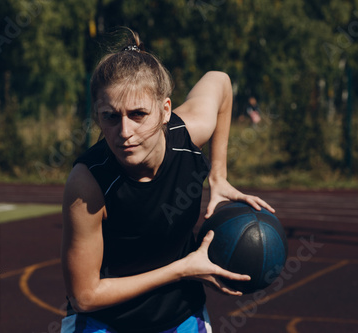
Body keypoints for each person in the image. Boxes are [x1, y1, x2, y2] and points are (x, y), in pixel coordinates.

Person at [60, 29, 274, 333]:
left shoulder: (188, 137)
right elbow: (84, 296)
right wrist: (181, 270)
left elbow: (221, 81)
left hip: (181, 318)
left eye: (138, 114)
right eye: (110, 116)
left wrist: (218, 175)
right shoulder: (88, 183)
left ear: (165, 111)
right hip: (103, 323)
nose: (124, 131)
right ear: (97, 116)